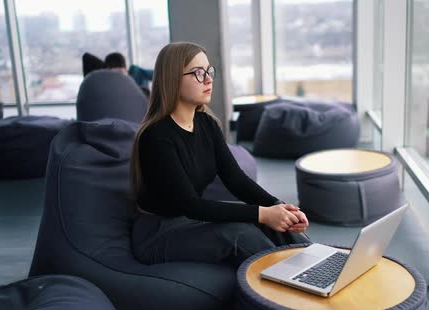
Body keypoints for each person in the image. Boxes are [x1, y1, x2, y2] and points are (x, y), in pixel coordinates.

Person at [130, 42, 311, 268]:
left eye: (209, 71)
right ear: (173, 78)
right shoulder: (156, 136)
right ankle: (289, 289)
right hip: (158, 233)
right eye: (198, 73)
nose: (208, 79)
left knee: (271, 224)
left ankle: (317, 269)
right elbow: (191, 205)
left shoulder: (206, 123)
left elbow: (235, 179)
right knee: (242, 232)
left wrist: (280, 207)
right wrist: (262, 214)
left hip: (189, 220)